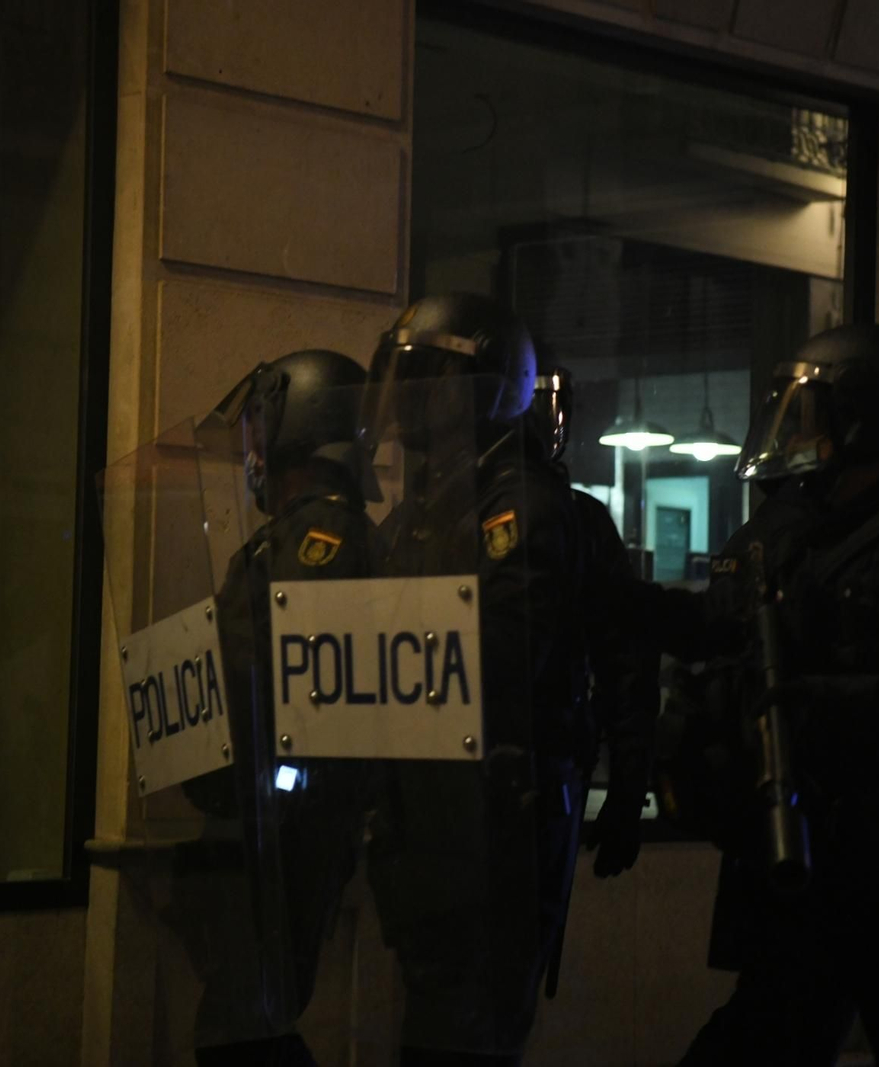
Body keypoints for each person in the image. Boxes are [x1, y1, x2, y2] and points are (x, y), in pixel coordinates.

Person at [676, 323, 879, 1067]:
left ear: (866, 421)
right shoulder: (827, 537)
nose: (795, 431)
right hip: (823, 861)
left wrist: (799, 701)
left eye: (809, 414)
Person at [360, 293, 586, 1064]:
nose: (410, 408)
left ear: (485, 391)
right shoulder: (419, 513)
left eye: (429, 384)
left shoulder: (516, 503)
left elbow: (504, 653)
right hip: (429, 827)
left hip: (496, 827)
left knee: (469, 1038)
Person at [178, 348, 382, 1067]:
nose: (253, 450)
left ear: (302, 425)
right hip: (257, 830)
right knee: (242, 1024)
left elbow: (275, 687)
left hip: (280, 835)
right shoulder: (289, 540)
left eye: (264, 427)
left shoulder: (318, 545)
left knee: (244, 1030)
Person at [525, 365, 652, 885]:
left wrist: (626, 792)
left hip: (546, 775)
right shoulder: (579, 520)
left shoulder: (580, 522)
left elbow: (627, 665)